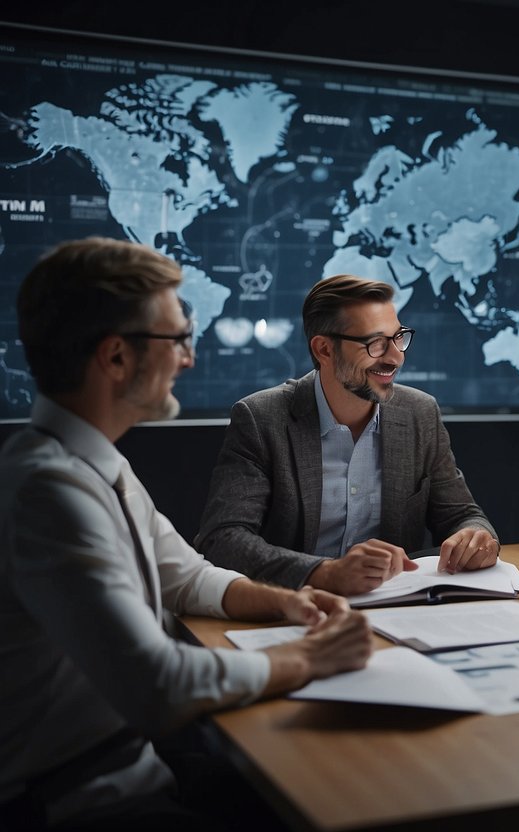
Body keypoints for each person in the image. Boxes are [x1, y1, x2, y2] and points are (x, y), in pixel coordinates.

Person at [0, 237, 374, 830]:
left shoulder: (93, 463)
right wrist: (308, 658)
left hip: (133, 766)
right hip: (81, 801)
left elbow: (187, 575)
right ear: (116, 357)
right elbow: (161, 684)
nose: (189, 358)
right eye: (176, 339)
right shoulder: (49, 490)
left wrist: (289, 603)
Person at [196, 274, 498, 596]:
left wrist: (475, 536)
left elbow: (462, 514)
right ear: (324, 349)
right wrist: (325, 573)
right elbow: (223, 538)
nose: (396, 357)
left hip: (396, 608)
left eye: (399, 338)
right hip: (296, 609)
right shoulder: (261, 419)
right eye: (376, 343)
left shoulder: (419, 414)